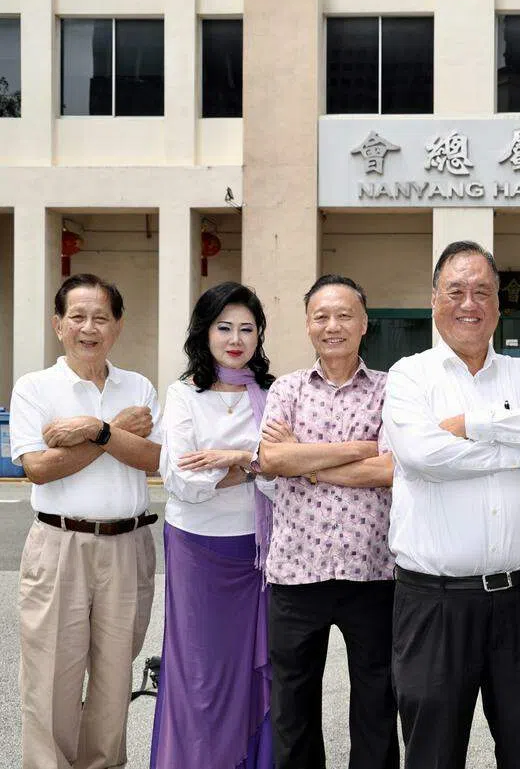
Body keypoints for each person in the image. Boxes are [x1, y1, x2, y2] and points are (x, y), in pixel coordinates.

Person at [383, 240, 520, 769]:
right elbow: (423, 455)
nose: (469, 303)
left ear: (497, 304)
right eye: (456, 291)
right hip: (434, 604)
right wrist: (519, 449)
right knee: (433, 754)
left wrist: (474, 423)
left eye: (482, 292)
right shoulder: (409, 375)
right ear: (434, 300)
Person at [10, 273, 162, 769]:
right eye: (77, 316)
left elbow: (154, 459)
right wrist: (114, 432)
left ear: (118, 326)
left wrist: (91, 431)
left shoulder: (137, 386)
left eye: (101, 317)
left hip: (128, 545)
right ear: (58, 325)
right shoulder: (35, 387)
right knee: (50, 674)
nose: (88, 328)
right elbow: (38, 468)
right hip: (60, 543)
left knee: (114, 678)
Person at [256, 274, 398, 769]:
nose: (332, 326)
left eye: (344, 315)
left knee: (378, 700)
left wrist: (307, 461)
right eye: (321, 316)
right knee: (292, 705)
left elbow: (391, 468)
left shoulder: (390, 389)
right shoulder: (287, 389)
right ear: (307, 325)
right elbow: (272, 460)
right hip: (297, 572)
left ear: (364, 323)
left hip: (374, 572)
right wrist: (358, 449)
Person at [150, 282, 277, 768]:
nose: (235, 339)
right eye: (224, 327)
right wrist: (250, 462)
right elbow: (182, 480)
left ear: (259, 335)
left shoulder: (272, 393)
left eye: (247, 328)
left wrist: (232, 460)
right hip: (196, 549)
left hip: (258, 552)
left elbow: (283, 473)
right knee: (199, 672)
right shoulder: (184, 393)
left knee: (252, 670)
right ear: (204, 331)